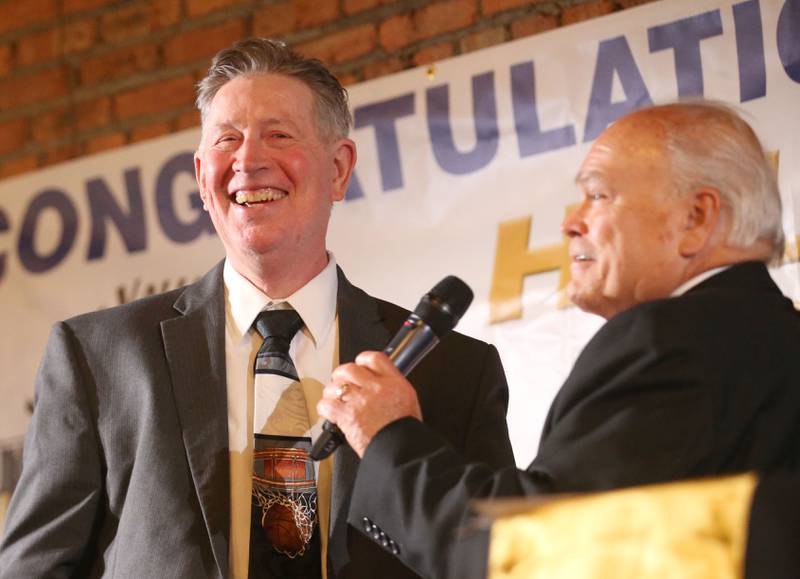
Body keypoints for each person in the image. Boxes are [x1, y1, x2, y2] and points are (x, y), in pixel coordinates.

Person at [0, 38, 515, 579]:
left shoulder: (455, 372)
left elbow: (497, 563)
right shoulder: (98, 358)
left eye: (278, 135)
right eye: (228, 139)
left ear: (339, 168)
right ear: (202, 177)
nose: (248, 160)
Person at [317, 101, 800, 578]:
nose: (571, 222)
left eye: (599, 195)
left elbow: (538, 554)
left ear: (696, 218)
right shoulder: (773, 338)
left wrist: (387, 436)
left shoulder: (670, 341)